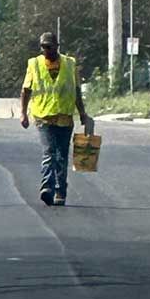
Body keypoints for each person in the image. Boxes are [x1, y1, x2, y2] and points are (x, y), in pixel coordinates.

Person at [20, 30, 94, 207]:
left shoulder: (69, 64)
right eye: (44, 47)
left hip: (65, 117)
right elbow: (26, 90)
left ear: (57, 47)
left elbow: (76, 92)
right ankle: (47, 188)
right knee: (49, 153)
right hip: (44, 118)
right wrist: (23, 113)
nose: (46, 50)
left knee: (62, 156)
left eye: (50, 47)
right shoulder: (34, 64)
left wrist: (82, 114)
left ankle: (61, 190)